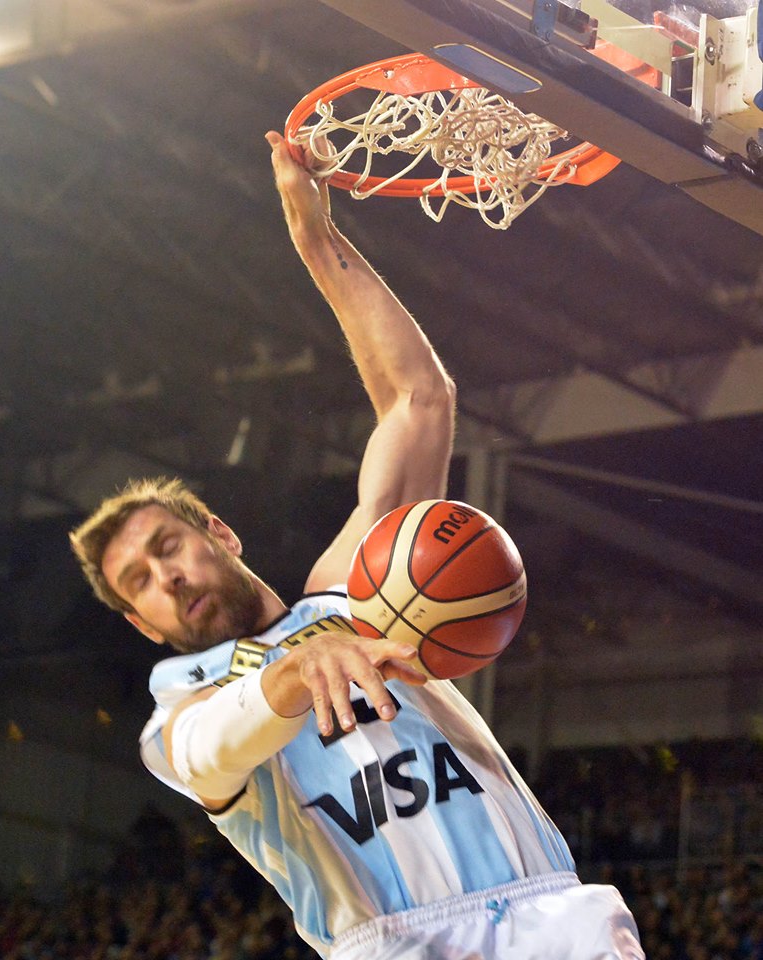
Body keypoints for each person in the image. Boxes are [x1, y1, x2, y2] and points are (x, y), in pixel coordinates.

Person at [69, 131, 644, 960]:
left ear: (219, 533)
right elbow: (209, 750)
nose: (166, 577)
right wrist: (294, 673)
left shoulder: (359, 591)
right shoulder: (179, 712)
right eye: (138, 582)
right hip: (396, 945)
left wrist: (316, 237)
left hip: (551, 920)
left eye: (168, 545)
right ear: (140, 622)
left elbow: (417, 399)